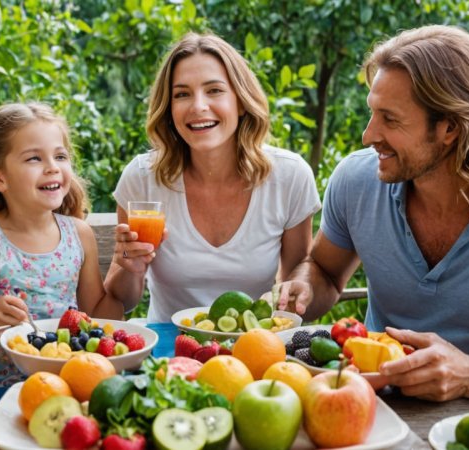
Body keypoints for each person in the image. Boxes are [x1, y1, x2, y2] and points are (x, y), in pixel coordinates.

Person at [278, 25, 469, 410]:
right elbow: (326, 271)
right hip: (377, 408)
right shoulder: (356, 180)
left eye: (390, 119)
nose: (369, 135)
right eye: (372, 114)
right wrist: (304, 287)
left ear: (450, 127)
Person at [104, 32, 321, 323]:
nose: (198, 106)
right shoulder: (143, 178)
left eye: (214, 90)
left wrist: (296, 290)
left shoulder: (289, 177)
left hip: (252, 347)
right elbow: (123, 301)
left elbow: (295, 283)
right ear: (169, 109)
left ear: (241, 101)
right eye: (182, 94)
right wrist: (131, 265)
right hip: (170, 350)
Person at [0, 102, 124, 389]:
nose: (52, 168)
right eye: (34, 159)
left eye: (60, 156)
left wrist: (132, 269)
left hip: (66, 388)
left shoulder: (79, 235)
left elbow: (96, 318)